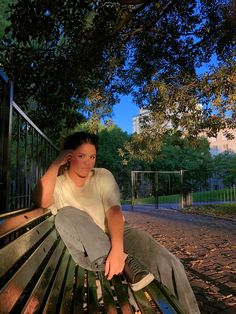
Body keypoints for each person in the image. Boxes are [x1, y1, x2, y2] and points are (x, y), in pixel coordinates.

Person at [32, 131, 200, 313]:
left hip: (120, 231)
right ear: (69, 156)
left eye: (92, 156)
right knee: (66, 214)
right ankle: (128, 263)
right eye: (81, 156)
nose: (87, 162)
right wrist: (57, 162)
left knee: (169, 262)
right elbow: (40, 200)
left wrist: (118, 249)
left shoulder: (102, 176)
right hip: (92, 244)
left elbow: (114, 212)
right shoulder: (58, 184)